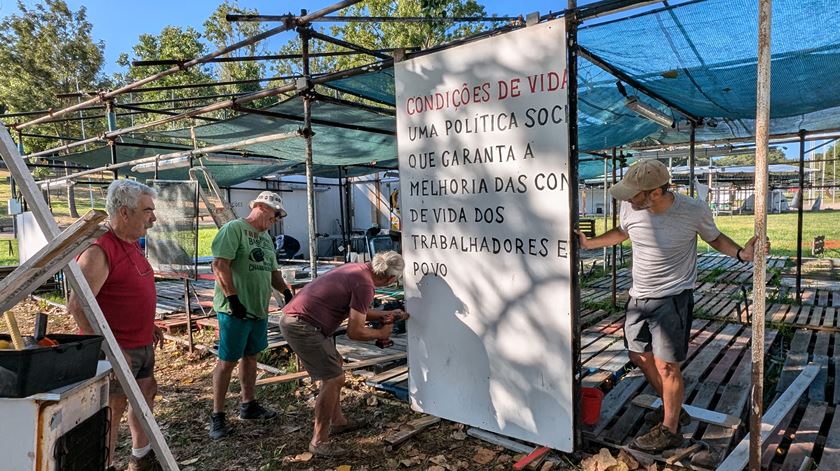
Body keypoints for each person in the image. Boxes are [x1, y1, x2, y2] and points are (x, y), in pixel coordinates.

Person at [577, 159, 769, 453]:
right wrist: (591, 244)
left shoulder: (692, 210)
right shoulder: (631, 206)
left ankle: (670, 429)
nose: (627, 197)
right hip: (638, 296)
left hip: (673, 297)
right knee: (638, 354)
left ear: (656, 192)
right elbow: (623, 231)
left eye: (634, 193)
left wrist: (742, 254)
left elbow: (714, 238)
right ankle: (673, 406)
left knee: (668, 365)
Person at [68, 179, 164, 471]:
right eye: (147, 210)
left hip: (140, 343)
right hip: (117, 349)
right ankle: (104, 464)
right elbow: (77, 306)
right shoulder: (100, 250)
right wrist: (109, 348)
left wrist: (149, 324)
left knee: (146, 391)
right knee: (113, 407)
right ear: (125, 213)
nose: (153, 217)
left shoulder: (130, 245)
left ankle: (141, 454)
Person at [280, 251, 408, 458]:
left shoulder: (357, 271)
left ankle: (337, 421)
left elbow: (357, 311)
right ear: (392, 279)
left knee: (335, 364)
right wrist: (382, 333)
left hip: (299, 319)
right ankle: (319, 441)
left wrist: (386, 314)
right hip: (301, 325)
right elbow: (355, 331)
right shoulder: (365, 285)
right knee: (334, 378)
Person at [209, 191, 293, 439]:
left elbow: (272, 271)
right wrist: (232, 297)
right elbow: (220, 264)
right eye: (275, 214)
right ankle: (218, 416)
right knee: (227, 361)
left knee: (251, 356)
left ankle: (248, 404)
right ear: (261, 207)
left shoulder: (265, 237)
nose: (276, 219)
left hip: (258, 308)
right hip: (234, 309)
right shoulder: (234, 228)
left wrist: (286, 292)